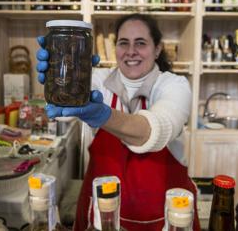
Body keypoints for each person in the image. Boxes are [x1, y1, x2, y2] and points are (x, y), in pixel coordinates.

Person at [36, 14, 200, 231]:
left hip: (167, 218)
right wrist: (57, 72)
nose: (131, 51)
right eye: (124, 43)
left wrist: (104, 117)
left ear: (157, 49)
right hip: (101, 217)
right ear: (116, 48)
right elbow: (63, 111)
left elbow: (157, 127)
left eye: (140, 43)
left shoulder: (174, 86)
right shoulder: (98, 80)